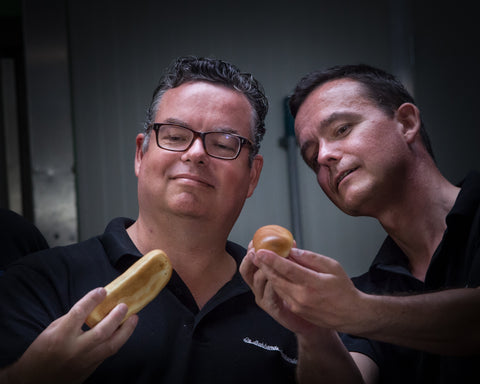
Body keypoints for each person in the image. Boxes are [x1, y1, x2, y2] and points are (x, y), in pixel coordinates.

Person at [0, 56, 335, 383]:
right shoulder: (39, 283)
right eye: (175, 136)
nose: (195, 153)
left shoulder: (288, 303)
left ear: (252, 176)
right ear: (140, 155)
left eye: (223, 143)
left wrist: (314, 334)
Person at [240, 64, 480, 383]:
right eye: (312, 158)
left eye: (341, 129)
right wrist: (313, 329)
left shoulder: (359, 302)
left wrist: (355, 311)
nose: (324, 156)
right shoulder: (368, 290)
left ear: (406, 123)